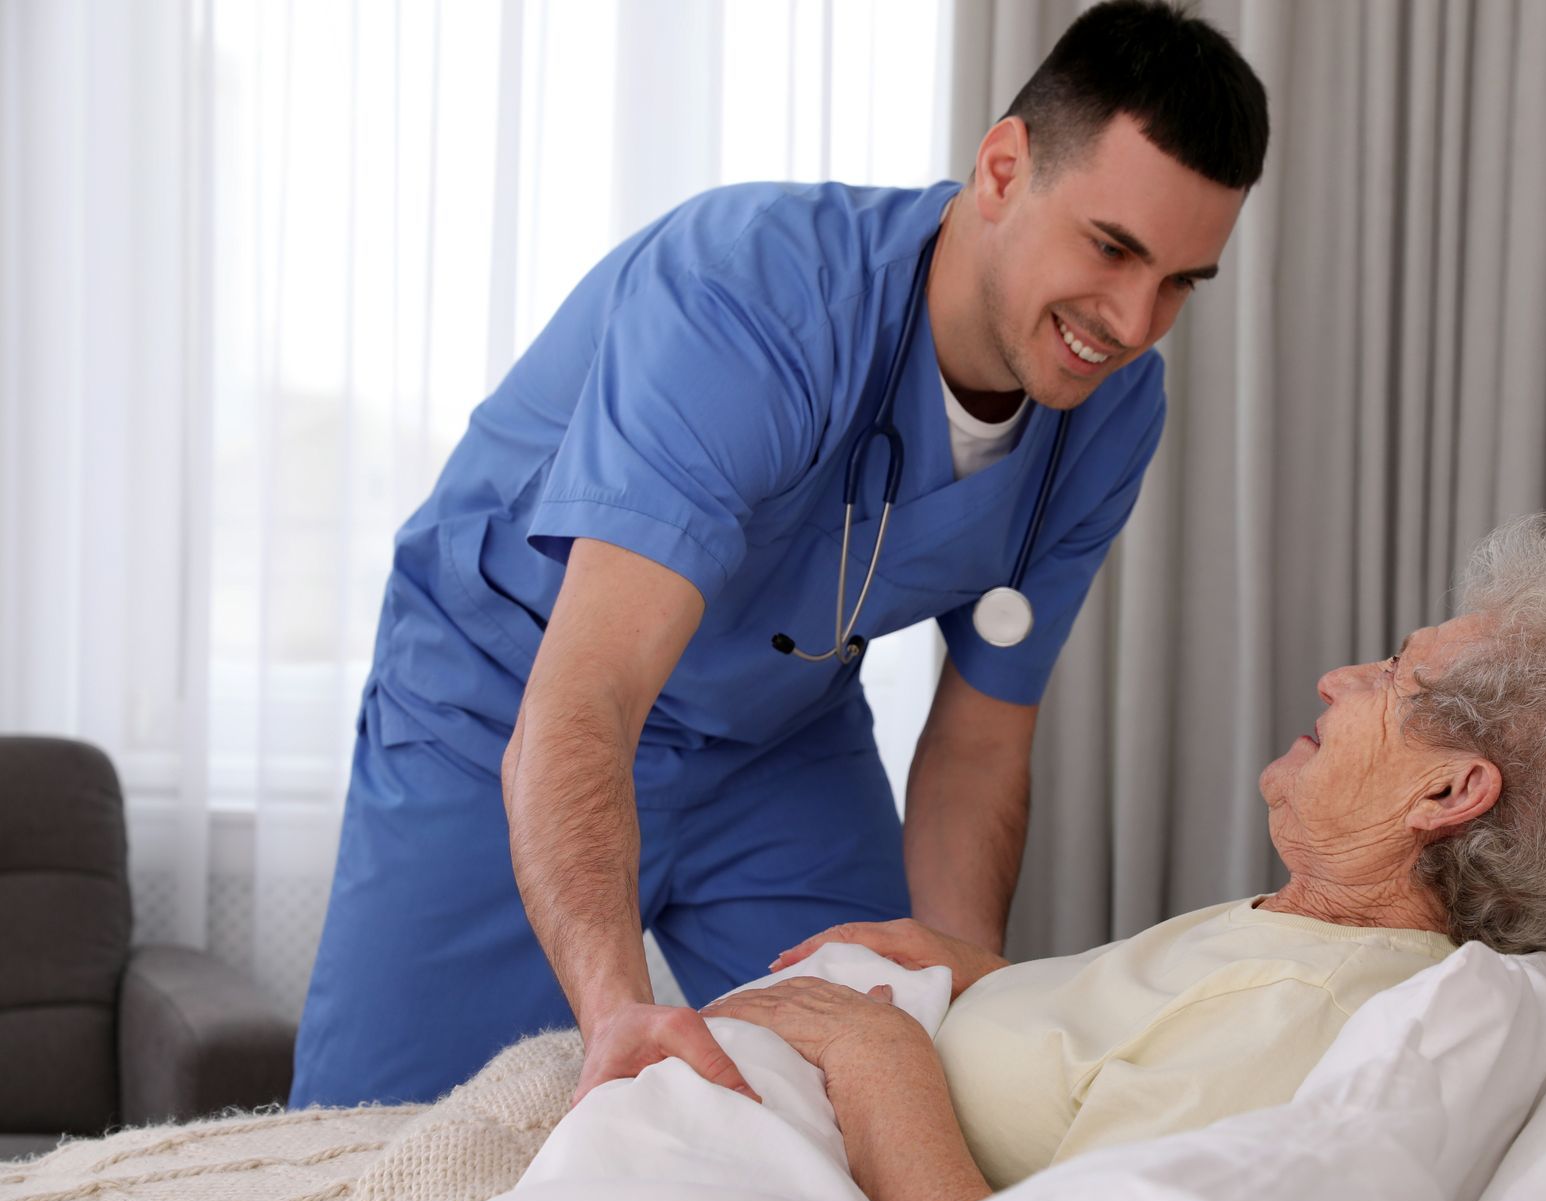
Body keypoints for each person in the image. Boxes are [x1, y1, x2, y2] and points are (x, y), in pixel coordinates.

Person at [291, 1, 1272, 1108]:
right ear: (1003, 169)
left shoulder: (1112, 408)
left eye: (1182, 280)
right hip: (512, 702)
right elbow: (589, 694)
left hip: (774, 741)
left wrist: (963, 1012)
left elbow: (981, 745)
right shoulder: (753, 299)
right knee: (371, 1147)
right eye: (1112, 248)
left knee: (895, 1096)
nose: (1135, 320)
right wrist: (618, 1014)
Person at [704, 513, 1546, 1201]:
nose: (1337, 680)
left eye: (1395, 675)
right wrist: (988, 979)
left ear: (1450, 789)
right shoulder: (1311, 932)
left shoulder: (1294, 1008)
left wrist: (879, 1054)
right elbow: (1118, 1051)